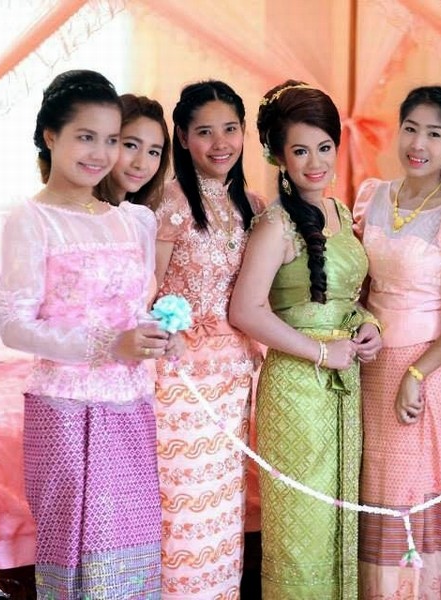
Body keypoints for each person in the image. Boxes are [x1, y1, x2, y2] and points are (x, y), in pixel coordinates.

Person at [0, 69, 170, 598]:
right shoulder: (30, 220)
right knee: (76, 554)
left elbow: (134, 308)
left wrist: (157, 336)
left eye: (111, 140)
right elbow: (14, 326)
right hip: (65, 411)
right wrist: (107, 345)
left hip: (132, 404)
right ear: (51, 137)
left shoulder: (133, 221)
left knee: (129, 553)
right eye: (86, 137)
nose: (101, 154)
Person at [228, 80, 382, 599]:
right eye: (300, 151)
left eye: (324, 147)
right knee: (302, 524)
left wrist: (369, 325)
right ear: (277, 155)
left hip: (344, 382)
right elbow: (245, 310)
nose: (315, 162)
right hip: (296, 388)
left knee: (338, 517)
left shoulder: (342, 212)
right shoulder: (275, 225)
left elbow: (346, 297)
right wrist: (320, 351)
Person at [353, 86, 441, 599]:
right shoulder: (371, 195)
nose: (418, 144)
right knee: (369, 493)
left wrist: (417, 373)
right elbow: (358, 287)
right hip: (368, 363)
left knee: (408, 494)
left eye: (434, 134)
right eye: (410, 129)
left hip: (426, 368)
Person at [153, 80, 262, 600]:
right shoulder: (169, 203)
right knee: (184, 513)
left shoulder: (253, 206)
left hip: (237, 377)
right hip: (181, 383)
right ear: (182, 136)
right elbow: (146, 292)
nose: (221, 143)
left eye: (230, 129)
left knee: (224, 513)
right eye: (204, 132)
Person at [95, 93, 170, 209]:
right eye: (131, 145)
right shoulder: (78, 213)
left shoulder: (142, 215)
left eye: (153, 152)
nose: (141, 165)